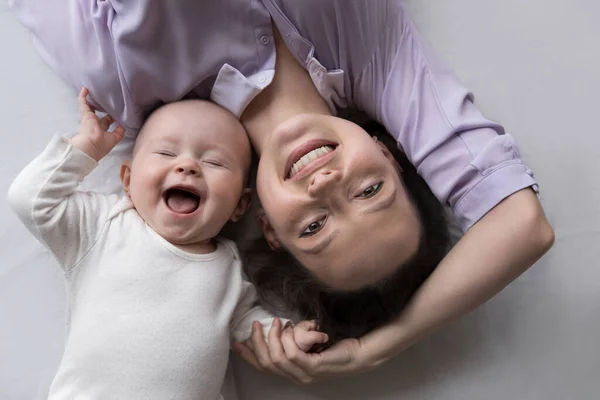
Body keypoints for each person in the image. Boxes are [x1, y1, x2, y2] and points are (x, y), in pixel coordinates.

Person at [9, 0, 554, 384]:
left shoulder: (123, 81)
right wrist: (382, 347)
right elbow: (524, 225)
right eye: (370, 190)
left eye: (314, 226)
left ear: (267, 224)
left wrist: (369, 348)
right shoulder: (381, 58)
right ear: (388, 153)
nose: (326, 185)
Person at [7, 89, 328, 399]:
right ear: (128, 181)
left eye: (214, 162)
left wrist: (288, 337)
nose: (187, 166)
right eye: (166, 153)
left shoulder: (229, 268)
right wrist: (86, 149)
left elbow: (247, 325)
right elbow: (30, 200)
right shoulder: (104, 225)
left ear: (240, 206)